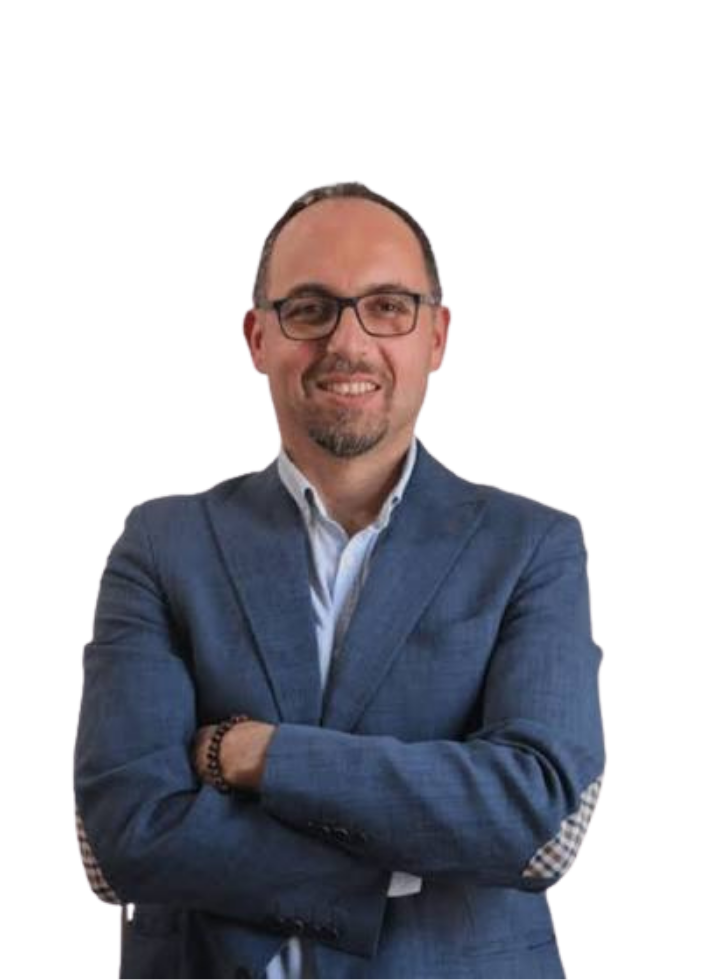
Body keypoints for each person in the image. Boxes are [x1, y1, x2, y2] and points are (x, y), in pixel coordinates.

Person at [72, 179, 606, 980]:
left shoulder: (534, 545)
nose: (347, 342)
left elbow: (532, 814)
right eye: (310, 308)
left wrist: (258, 755)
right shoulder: (160, 542)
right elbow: (124, 837)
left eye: (387, 306)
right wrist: (396, 865)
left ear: (438, 337)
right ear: (257, 338)